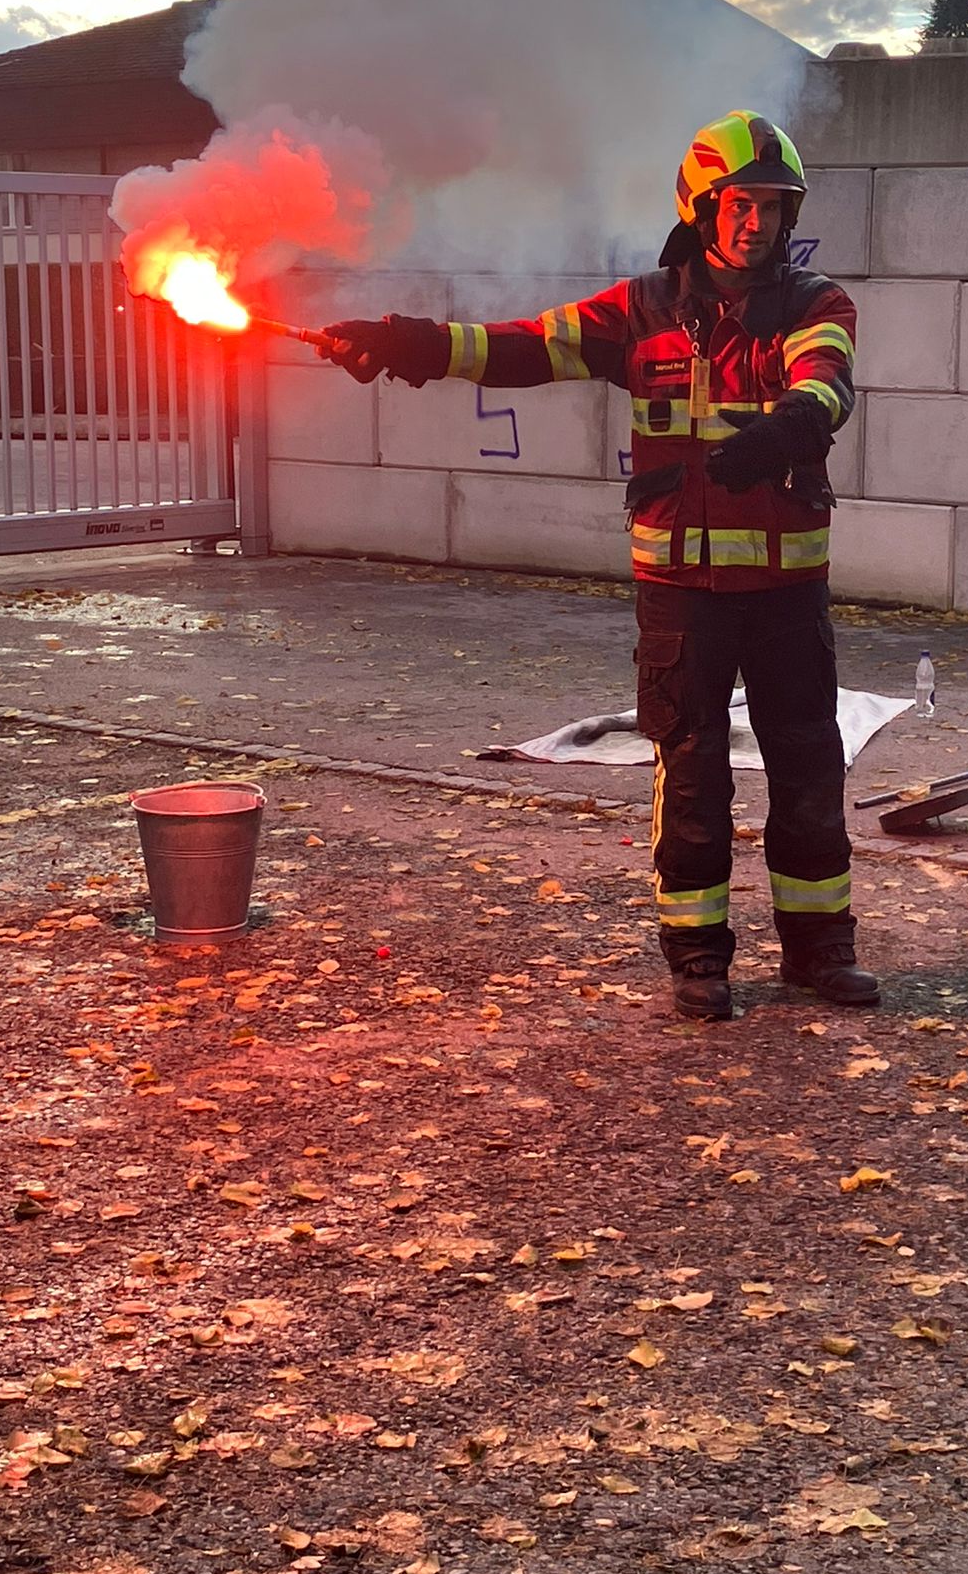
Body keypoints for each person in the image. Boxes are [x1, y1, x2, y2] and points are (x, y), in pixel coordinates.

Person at [319, 110, 877, 1020]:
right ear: (702, 209)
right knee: (691, 769)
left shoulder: (816, 304)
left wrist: (791, 424)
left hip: (786, 591)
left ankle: (820, 953)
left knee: (809, 764)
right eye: (739, 205)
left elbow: (826, 379)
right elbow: (525, 346)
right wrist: (412, 342)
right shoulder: (641, 310)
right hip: (680, 593)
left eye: (773, 207)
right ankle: (697, 958)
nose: (756, 223)